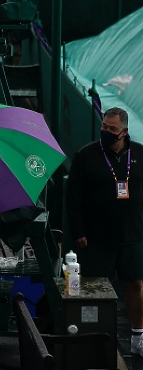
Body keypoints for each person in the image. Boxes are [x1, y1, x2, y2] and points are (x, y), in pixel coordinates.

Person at [67, 107, 143, 355]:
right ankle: (93, 338)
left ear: (124, 131)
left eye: (112, 129)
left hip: (133, 235)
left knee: (136, 285)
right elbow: (73, 197)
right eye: (103, 127)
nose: (106, 132)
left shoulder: (140, 154)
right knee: (95, 290)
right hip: (96, 238)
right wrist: (78, 230)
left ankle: (138, 336)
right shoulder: (86, 155)